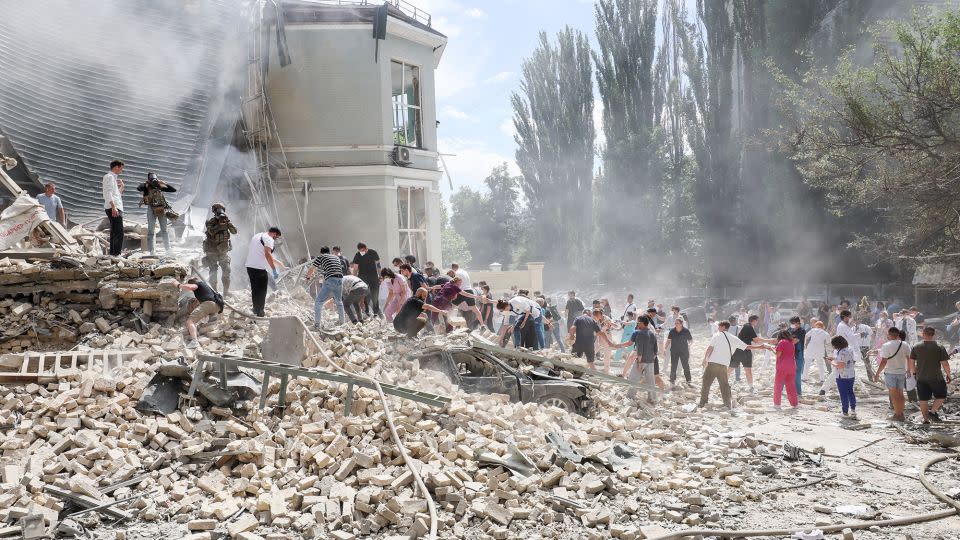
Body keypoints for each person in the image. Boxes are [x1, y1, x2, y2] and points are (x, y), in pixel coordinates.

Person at [699, 321, 770, 410]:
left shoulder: (716, 335)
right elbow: (746, 347)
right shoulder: (733, 338)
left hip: (713, 363)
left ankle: (703, 402)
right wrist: (760, 347)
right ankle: (727, 404)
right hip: (723, 365)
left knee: (706, 383)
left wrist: (705, 359)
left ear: (723, 327)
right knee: (724, 385)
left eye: (719, 326)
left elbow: (710, 348)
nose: (718, 328)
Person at [613, 315, 659, 404]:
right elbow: (656, 350)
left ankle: (630, 397)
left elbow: (633, 345)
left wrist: (639, 362)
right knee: (651, 380)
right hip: (650, 361)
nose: (637, 324)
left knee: (634, 378)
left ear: (642, 323)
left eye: (638, 322)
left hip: (641, 360)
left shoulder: (638, 333)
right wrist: (651, 360)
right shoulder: (652, 334)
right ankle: (652, 398)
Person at [910, 326, 952, 424]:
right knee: (941, 395)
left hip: (921, 377)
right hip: (936, 377)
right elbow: (945, 363)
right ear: (934, 335)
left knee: (923, 399)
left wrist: (914, 373)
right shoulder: (939, 347)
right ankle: (932, 411)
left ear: (923, 334)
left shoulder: (916, 346)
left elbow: (911, 362)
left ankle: (925, 419)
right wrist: (948, 375)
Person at [172, 276, 224, 349]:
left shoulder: (197, 284)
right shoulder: (205, 287)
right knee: (203, 314)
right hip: (217, 307)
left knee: (190, 321)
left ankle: (194, 342)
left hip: (208, 304)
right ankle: (210, 322)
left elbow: (191, 287)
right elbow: (199, 300)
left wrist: (178, 284)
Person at [872, 326, 911, 422]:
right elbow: (909, 358)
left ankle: (898, 415)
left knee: (894, 395)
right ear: (898, 334)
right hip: (902, 372)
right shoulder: (905, 344)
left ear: (889, 334)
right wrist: (909, 370)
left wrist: (877, 373)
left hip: (890, 372)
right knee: (900, 394)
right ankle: (900, 413)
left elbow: (884, 361)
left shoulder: (886, 345)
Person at [136, 172, 177, 254]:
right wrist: (145, 184)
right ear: (148, 179)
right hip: (151, 209)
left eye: (154, 178)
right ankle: (152, 251)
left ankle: (168, 250)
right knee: (151, 231)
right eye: (151, 178)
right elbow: (138, 188)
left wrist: (163, 183)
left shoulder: (159, 186)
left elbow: (173, 190)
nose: (153, 180)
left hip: (161, 208)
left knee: (164, 230)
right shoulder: (146, 186)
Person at [245, 227, 281, 317]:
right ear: (274, 234)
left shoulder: (257, 235)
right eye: (276, 237)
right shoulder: (269, 239)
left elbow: (262, 253)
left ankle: (255, 309)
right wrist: (274, 270)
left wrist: (281, 265)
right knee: (262, 291)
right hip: (259, 268)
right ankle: (260, 312)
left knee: (255, 289)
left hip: (250, 267)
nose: (275, 239)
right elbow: (268, 254)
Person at [305, 246, 345, 328]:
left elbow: (311, 269)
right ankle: (342, 322)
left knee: (318, 302)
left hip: (330, 279)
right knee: (339, 301)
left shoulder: (321, 257)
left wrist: (308, 278)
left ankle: (317, 324)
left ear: (321, 252)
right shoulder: (336, 257)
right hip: (340, 279)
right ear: (329, 252)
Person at [729, 315, 771, 393]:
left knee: (733, 368)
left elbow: (755, 340)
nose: (758, 322)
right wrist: (770, 341)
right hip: (743, 350)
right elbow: (757, 340)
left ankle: (750, 386)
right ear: (754, 321)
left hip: (740, 350)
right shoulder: (749, 327)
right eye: (757, 321)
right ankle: (750, 386)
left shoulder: (747, 326)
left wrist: (768, 341)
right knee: (745, 369)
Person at [202, 203, 237, 295]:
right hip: (212, 251)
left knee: (227, 271)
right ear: (214, 211)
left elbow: (234, 231)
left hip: (223, 251)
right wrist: (220, 225)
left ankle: (226, 292)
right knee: (213, 271)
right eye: (218, 209)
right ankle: (214, 292)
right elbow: (211, 231)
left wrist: (228, 223)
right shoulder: (211, 222)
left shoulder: (226, 221)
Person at [827, 336, 857, 420]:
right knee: (850, 392)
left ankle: (845, 412)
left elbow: (840, 365)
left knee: (843, 394)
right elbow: (846, 360)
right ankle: (853, 410)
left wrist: (831, 362)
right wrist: (834, 358)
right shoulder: (849, 349)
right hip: (850, 374)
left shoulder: (841, 352)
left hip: (842, 375)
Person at [102, 160, 125, 256]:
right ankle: (116, 254)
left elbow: (116, 194)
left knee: (114, 231)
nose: (121, 171)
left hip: (114, 206)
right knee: (119, 231)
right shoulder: (109, 177)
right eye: (121, 168)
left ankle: (113, 253)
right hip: (113, 207)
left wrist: (122, 187)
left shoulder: (112, 178)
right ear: (116, 167)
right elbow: (108, 192)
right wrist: (113, 207)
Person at [351, 243, 381, 317]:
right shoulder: (358, 255)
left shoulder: (373, 252)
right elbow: (355, 268)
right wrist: (354, 279)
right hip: (362, 277)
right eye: (360, 250)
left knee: (375, 294)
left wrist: (380, 276)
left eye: (363, 250)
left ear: (366, 248)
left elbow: (378, 264)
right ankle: (366, 311)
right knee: (364, 294)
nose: (362, 252)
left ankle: (376, 312)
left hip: (373, 276)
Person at [773, 330, 800, 410]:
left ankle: (777, 404)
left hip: (782, 366)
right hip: (792, 366)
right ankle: (794, 404)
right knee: (791, 385)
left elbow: (778, 354)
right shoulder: (791, 342)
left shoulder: (781, 342)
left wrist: (771, 349)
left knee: (778, 385)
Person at [665, 316, 693, 387]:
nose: (676, 324)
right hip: (674, 351)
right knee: (673, 365)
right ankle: (672, 380)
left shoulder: (686, 331)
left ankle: (688, 380)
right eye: (675, 323)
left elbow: (690, 340)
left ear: (681, 323)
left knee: (685, 365)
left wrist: (689, 345)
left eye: (677, 323)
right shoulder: (672, 331)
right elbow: (668, 340)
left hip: (684, 351)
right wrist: (665, 349)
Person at [789, 316, 807, 396]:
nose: (792, 325)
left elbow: (796, 341)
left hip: (798, 353)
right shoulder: (789, 330)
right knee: (786, 371)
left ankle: (798, 392)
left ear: (797, 323)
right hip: (789, 353)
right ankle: (783, 389)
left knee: (797, 372)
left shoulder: (802, 331)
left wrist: (787, 342)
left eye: (793, 323)